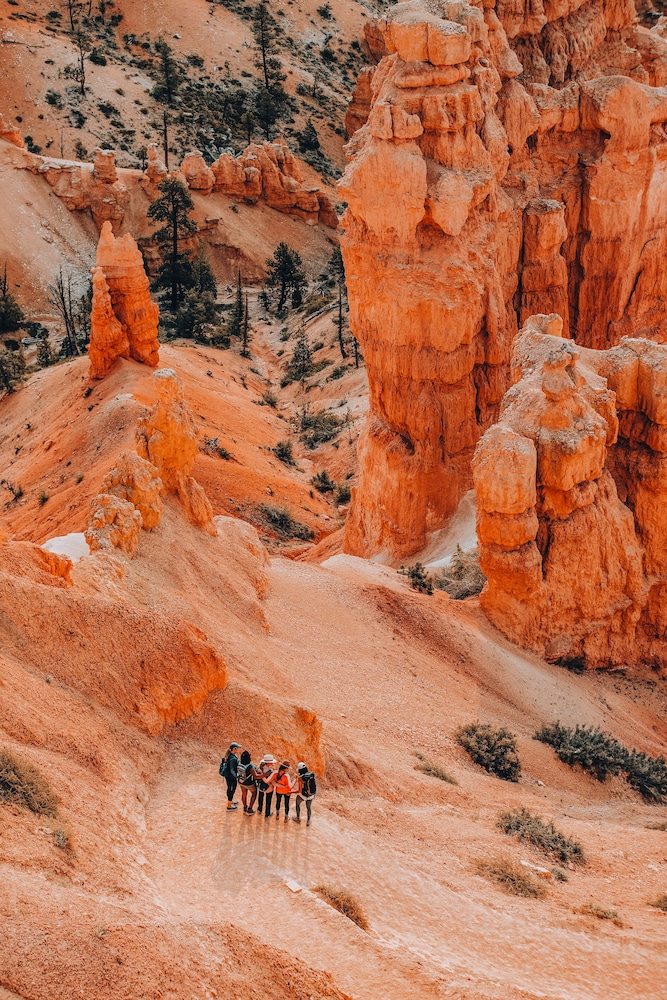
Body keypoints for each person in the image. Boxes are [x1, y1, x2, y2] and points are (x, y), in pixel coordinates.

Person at [220, 741, 241, 810]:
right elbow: (232, 770)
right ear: (234, 749)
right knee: (232, 790)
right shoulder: (233, 759)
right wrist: (237, 777)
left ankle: (230, 801)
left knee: (229, 788)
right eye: (237, 748)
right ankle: (229, 806)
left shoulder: (229, 755)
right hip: (231, 777)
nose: (238, 749)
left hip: (228, 776)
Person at [293, 762, 317, 826]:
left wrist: (292, 792)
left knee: (297, 804)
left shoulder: (300, 778)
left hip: (303, 795)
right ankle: (308, 821)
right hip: (311, 795)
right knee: (308, 807)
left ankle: (298, 818)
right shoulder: (311, 775)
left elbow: (299, 790)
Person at [238, 750, 258, 814]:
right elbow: (256, 776)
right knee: (254, 794)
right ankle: (250, 809)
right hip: (249, 784)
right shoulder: (250, 766)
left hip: (241, 782)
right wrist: (265, 775)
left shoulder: (239, 763)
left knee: (244, 793)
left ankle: (245, 807)